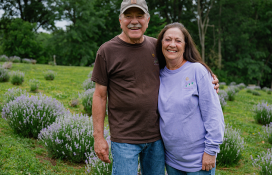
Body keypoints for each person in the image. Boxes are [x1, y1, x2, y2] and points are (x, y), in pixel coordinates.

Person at [91, 0, 219, 174]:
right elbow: (99, 96)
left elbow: (180, 66)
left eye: (140, 16)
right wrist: (98, 137)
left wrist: (207, 78)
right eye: (128, 16)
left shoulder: (157, 47)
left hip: (157, 139)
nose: (134, 21)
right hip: (124, 138)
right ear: (120, 20)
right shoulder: (106, 51)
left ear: (148, 19)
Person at [156, 22, 225, 175]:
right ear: (161, 43)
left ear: (185, 45)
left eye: (178, 40)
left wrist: (211, 151)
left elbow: (213, 114)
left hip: (200, 161)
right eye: (167, 39)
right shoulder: (158, 74)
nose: (172, 44)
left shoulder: (197, 70)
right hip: (172, 160)